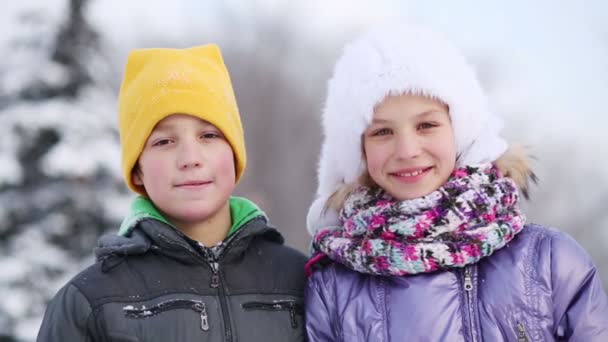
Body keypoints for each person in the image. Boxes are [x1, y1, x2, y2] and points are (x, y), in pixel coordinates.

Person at [304, 24, 608, 341]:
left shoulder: (549, 263)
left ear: (461, 129)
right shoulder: (333, 288)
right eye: (382, 132)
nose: (407, 151)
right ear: (358, 150)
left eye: (426, 125)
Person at [37, 44, 307, 341]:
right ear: (137, 169)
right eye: (164, 142)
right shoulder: (90, 302)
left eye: (209, 135)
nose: (190, 157)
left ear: (234, 153)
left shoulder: (301, 281)